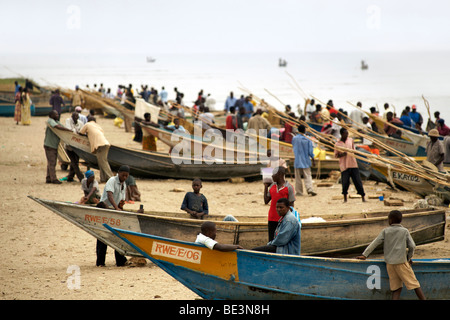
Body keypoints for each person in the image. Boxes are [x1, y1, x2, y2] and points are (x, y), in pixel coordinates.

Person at [357, 210, 426, 300]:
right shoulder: (404, 231)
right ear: (400, 220)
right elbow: (412, 246)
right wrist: (408, 258)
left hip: (390, 264)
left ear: (390, 220)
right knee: (415, 284)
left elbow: (375, 243)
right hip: (402, 263)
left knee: (396, 288)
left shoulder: (385, 231)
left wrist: (365, 255)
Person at [95, 165, 130, 267]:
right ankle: (100, 262)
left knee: (117, 235)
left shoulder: (124, 184)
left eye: (126, 176)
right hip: (104, 210)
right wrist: (116, 207)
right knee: (103, 235)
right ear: (118, 173)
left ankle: (120, 261)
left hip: (114, 212)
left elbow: (120, 200)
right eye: (123, 175)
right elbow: (110, 195)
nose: (124, 178)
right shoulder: (112, 180)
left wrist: (120, 205)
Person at [264, 166, 296, 241]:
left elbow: (291, 206)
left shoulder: (289, 187)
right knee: (271, 240)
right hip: (271, 218)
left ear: (280, 175)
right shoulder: (272, 186)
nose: (272, 176)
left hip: (283, 219)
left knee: (281, 240)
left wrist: (287, 219)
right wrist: (266, 187)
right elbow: (266, 201)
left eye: (273, 174)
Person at [334, 128, 366, 202]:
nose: (347, 135)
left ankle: (363, 197)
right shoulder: (337, 143)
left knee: (358, 181)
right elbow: (336, 155)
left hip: (353, 164)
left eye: (347, 133)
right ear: (342, 134)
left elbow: (353, 150)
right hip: (344, 166)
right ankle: (345, 198)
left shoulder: (350, 140)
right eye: (345, 133)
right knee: (345, 182)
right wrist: (342, 154)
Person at [79, 116, 113, 183]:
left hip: (100, 145)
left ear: (88, 120)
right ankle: (103, 179)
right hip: (105, 143)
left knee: (103, 162)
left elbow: (80, 132)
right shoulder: (97, 126)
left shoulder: (88, 124)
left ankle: (111, 178)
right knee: (101, 162)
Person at [43, 110, 73, 184]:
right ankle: (53, 179)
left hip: (53, 145)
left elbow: (61, 126)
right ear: (51, 115)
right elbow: (57, 127)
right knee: (52, 163)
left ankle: (49, 177)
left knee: (50, 162)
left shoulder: (56, 121)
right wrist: (68, 130)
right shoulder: (50, 121)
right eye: (55, 114)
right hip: (50, 145)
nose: (57, 115)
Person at [292, 124, 317, 197]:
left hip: (297, 160)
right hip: (305, 160)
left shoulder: (294, 139)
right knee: (308, 175)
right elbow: (310, 151)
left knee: (298, 177)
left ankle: (299, 192)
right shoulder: (308, 139)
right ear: (304, 130)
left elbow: (293, 147)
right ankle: (309, 189)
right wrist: (313, 159)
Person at [64, 112, 84, 182]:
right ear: (71, 116)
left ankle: (70, 177)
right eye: (74, 116)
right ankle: (80, 177)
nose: (76, 117)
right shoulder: (68, 121)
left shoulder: (80, 123)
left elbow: (82, 132)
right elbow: (69, 130)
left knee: (76, 161)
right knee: (74, 162)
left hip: (77, 146)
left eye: (77, 116)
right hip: (69, 145)